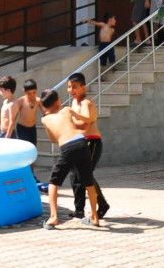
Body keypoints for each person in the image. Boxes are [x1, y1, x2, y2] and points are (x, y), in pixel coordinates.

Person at [39, 89, 100, 229]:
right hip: (81, 142)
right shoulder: (66, 109)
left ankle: (53, 217)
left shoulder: (45, 119)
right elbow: (84, 120)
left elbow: (53, 139)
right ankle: (95, 217)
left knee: (54, 182)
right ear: (58, 101)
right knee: (88, 181)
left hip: (67, 147)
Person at [67, 72, 109, 221]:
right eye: (69, 87)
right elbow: (77, 124)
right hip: (78, 142)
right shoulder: (73, 103)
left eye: (75, 87)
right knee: (74, 175)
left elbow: (87, 120)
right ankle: (79, 209)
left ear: (83, 88)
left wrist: (72, 116)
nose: (71, 90)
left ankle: (102, 204)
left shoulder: (87, 103)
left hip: (92, 142)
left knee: (86, 175)